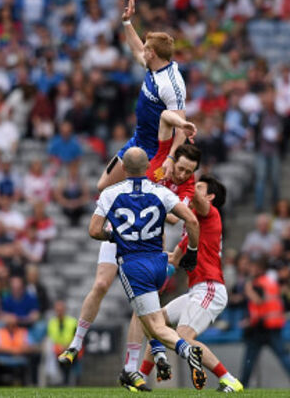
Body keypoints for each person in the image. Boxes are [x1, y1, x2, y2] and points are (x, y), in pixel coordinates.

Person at [57, 111, 197, 371]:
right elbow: (166, 116)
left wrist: (157, 200)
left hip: (148, 244)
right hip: (120, 232)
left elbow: (173, 219)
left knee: (142, 306)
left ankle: (133, 366)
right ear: (173, 159)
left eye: (188, 172)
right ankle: (76, 343)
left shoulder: (184, 187)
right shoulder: (156, 159)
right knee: (101, 284)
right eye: (180, 168)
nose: (182, 175)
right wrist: (181, 125)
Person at [84, 147, 204, 391]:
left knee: (155, 325)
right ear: (148, 168)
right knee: (145, 316)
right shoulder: (161, 192)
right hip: (159, 263)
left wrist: (114, 235)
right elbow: (191, 220)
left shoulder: (111, 193)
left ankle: (186, 350)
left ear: (124, 168)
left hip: (134, 265)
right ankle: (134, 369)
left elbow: (94, 230)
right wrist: (192, 251)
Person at [136, 175, 244, 393]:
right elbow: (173, 259)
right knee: (155, 322)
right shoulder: (191, 227)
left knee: (184, 337)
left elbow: (193, 195)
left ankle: (229, 380)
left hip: (210, 287)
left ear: (210, 197)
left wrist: (182, 176)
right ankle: (140, 378)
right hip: (197, 290)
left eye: (199, 187)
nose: (193, 190)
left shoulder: (210, 213)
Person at [96, 0, 187, 192]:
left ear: (152, 53)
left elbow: (181, 129)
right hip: (138, 141)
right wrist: (127, 22)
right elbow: (137, 49)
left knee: (143, 198)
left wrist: (171, 158)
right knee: (103, 186)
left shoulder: (171, 84)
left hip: (157, 152)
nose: (142, 51)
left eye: (146, 49)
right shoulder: (153, 66)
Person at [240, 257, 290, 388]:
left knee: (249, 358)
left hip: (261, 326)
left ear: (259, 268)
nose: (250, 269)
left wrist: (248, 290)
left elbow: (259, 301)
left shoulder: (256, 284)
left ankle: (243, 383)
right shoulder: (270, 281)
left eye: (252, 266)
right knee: (283, 355)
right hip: (274, 325)